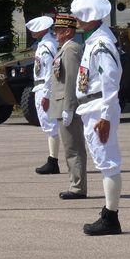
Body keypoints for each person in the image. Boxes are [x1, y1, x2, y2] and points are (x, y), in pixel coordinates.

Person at [71, 0, 123, 236]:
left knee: (108, 162)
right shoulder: (94, 40)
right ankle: (109, 213)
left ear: (89, 18)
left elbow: (110, 81)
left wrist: (105, 115)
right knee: (103, 162)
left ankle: (111, 217)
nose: (76, 19)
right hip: (91, 108)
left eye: (79, 16)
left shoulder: (101, 44)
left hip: (99, 108)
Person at [48, 14, 87, 199]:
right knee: (69, 147)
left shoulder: (70, 49)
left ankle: (77, 188)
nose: (55, 33)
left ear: (68, 31)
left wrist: (69, 107)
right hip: (62, 104)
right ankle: (74, 184)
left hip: (67, 105)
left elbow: (72, 80)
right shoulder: (64, 48)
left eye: (59, 30)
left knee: (74, 148)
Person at [25, 15, 60, 174]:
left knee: (50, 125)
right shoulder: (46, 44)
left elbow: (48, 73)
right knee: (49, 125)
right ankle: (53, 159)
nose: (32, 32)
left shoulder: (46, 46)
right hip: (40, 88)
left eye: (35, 29)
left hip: (44, 88)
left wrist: (46, 94)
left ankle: (53, 161)